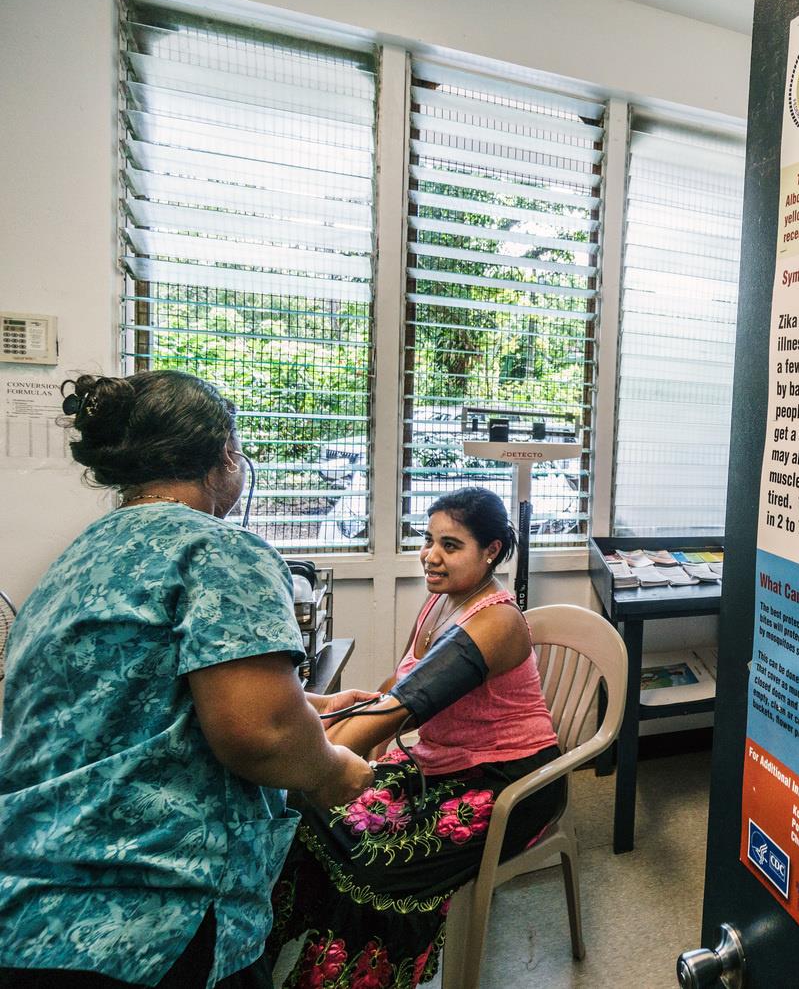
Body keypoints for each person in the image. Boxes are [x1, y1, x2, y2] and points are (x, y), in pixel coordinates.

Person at [0, 371, 375, 989]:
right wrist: (335, 771)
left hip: (32, 909)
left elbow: (123, 693)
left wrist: (304, 701)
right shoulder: (220, 551)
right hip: (154, 915)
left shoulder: (77, 559)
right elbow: (262, 737)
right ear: (225, 455)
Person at [265, 487, 566, 988]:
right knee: (311, 814)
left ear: (490, 551)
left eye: (451, 545)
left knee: (377, 866)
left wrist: (309, 755)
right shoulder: (441, 602)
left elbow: (402, 709)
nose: (430, 556)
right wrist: (336, 723)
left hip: (509, 782)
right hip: (440, 763)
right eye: (428, 540)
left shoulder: (496, 622)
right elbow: (396, 687)